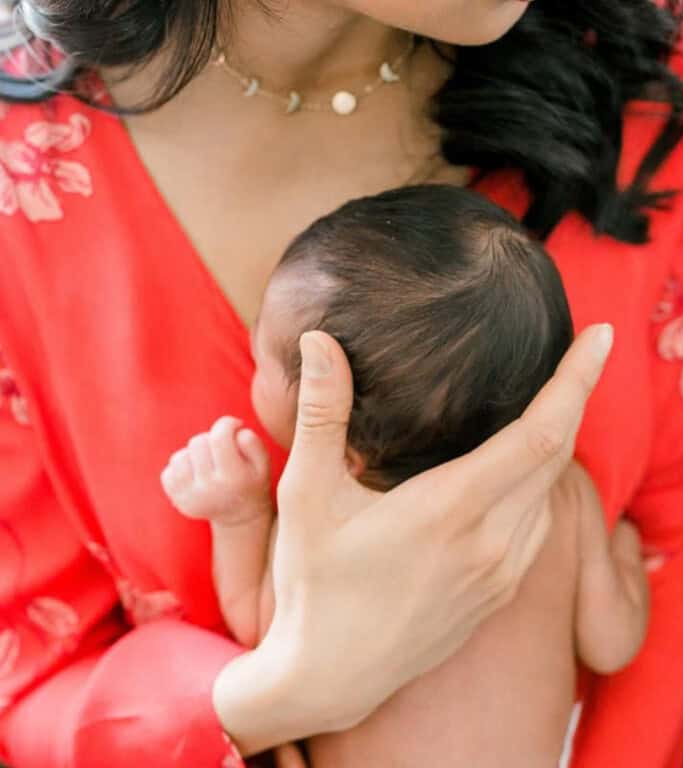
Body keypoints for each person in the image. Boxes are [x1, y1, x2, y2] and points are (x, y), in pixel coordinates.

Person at [0, 1, 683, 767]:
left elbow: (680, 535)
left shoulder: (666, 42)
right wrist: (274, 699)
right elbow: (24, 685)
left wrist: (244, 533)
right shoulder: (21, 180)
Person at [159, 188, 649, 759]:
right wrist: (626, 550)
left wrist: (240, 516)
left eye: (263, 354)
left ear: (345, 448)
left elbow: (263, 633)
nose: (249, 341)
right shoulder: (564, 494)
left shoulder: (327, 527)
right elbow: (613, 644)